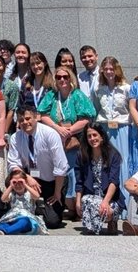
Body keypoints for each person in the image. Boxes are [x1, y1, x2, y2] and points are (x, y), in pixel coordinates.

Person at [39, 63, 96, 219]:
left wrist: (69, 131)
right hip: (56, 138)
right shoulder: (51, 95)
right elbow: (42, 115)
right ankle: (62, 203)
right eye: (59, 77)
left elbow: (87, 117)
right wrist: (58, 129)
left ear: (71, 78)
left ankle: (75, 206)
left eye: (65, 77)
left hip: (74, 140)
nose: (62, 80)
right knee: (59, 170)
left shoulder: (77, 95)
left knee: (73, 171)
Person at [7, 106, 69, 228]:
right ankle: (21, 208)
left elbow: (61, 167)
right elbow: (13, 164)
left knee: (52, 222)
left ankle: (38, 210)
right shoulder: (15, 137)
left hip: (53, 181)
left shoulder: (50, 134)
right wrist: (27, 178)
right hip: (30, 179)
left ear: (36, 117)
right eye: (21, 120)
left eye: (28, 118)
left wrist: (57, 193)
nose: (25, 122)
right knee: (10, 180)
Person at [94, 55, 138, 185]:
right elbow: (97, 108)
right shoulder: (98, 89)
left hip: (122, 128)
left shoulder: (126, 88)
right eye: (106, 69)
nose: (109, 72)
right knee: (106, 159)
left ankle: (125, 191)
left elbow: (132, 109)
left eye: (111, 69)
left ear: (117, 70)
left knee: (123, 159)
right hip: (105, 128)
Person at [76, 122, 126, 235]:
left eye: (95, 135)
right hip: (92, 196)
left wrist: (105, 202)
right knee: (85, 200)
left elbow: (114, 182)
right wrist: (78, 201)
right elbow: (79, 181)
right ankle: (93, 226)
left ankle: (112, 220)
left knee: (106, 209)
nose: (92, 139)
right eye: (89, 136)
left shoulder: (113, 155)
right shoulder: (82, 155)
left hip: (111, 198)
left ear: (102, 136)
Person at [0, 167, 48, 235]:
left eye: (20, 182)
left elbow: (37, 196)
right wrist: (11, 186)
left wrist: (25, 185)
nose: (18, 185)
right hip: (12, 218)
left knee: (23, 221)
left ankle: (5, 231)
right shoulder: (12, 194)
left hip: (27, 219)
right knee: (0, 224)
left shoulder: (29, 194)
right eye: (14, 182)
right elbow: (3, 199)